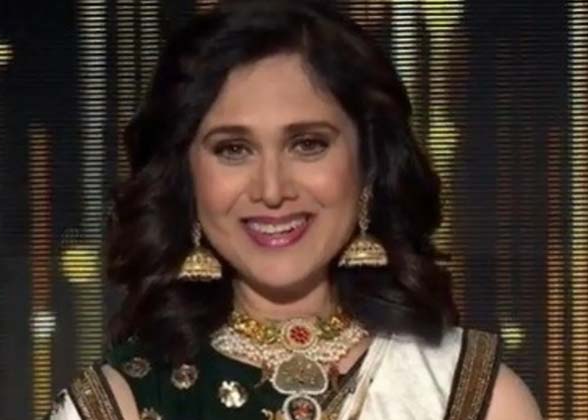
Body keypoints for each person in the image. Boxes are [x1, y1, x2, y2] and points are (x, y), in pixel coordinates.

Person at [47, 1, 543, 419]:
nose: (272, 190)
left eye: (308, 144)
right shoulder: (118, 405)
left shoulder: (468, 396)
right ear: (186, 176)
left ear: (368, 165)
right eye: (233, 149)